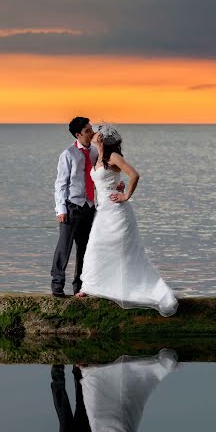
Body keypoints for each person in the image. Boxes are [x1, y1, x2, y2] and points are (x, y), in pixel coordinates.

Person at [80, 124, 178, 316]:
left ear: (103, 137)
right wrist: (119, 184)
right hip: (103, 212)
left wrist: (126, 195)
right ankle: (91, 286)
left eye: (97, 131)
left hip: (118, 212)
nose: (94, 133)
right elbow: (109, 179)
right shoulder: (97, 157)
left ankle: (126, 288)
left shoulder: (113, 156)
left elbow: (134, 174)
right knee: (96, 247)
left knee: (122, 252)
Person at [51, 117, 124, 297]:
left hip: (90, 207)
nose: (92, 133)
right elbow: (60, 184)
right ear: (78, 134)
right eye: (88, 131)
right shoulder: (67, 154)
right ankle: (57, 285)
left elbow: (103, 173)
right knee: (64, 247)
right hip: (71, 207)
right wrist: (60, 209)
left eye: (92, 129)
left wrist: (117, 186)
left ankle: (80, 287)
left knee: (85, 249)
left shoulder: (95, 152)